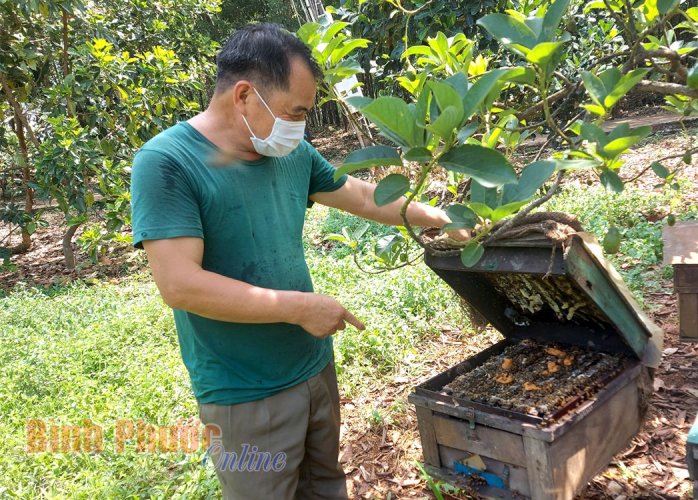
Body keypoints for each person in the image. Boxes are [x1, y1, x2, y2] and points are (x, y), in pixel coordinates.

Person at [130, 22, 466, 499]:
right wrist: (301, 308)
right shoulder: (167, 162)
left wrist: (437, 217)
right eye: (295, 112)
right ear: (244, 95)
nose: (300, 126)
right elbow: (180, 284)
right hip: (242, 392)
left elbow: (363, 197)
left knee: (326, 485)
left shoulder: (291, 154)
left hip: (312, 368)